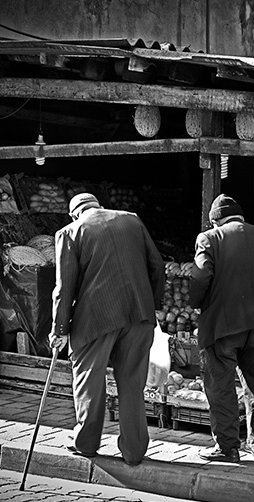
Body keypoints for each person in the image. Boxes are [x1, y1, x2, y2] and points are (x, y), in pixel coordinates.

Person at [49, 192, 165, 465]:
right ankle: (134, 451)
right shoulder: (132, 221)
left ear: (74, 213)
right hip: (139, 315)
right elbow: (157, 266)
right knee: (132, 383)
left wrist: (59, 329)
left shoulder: (70, 232)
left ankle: (86, 443)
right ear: (97, 206)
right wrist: (153, 304)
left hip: (94, 319)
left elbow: (63, 289)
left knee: (89, 379)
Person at [190, 194, 254, 462]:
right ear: (241, 217)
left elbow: (201, 276)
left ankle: (227, 447)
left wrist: (199, 303)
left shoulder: (210, 238)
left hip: (222, 326)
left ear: (215, 221)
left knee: (220, 385)